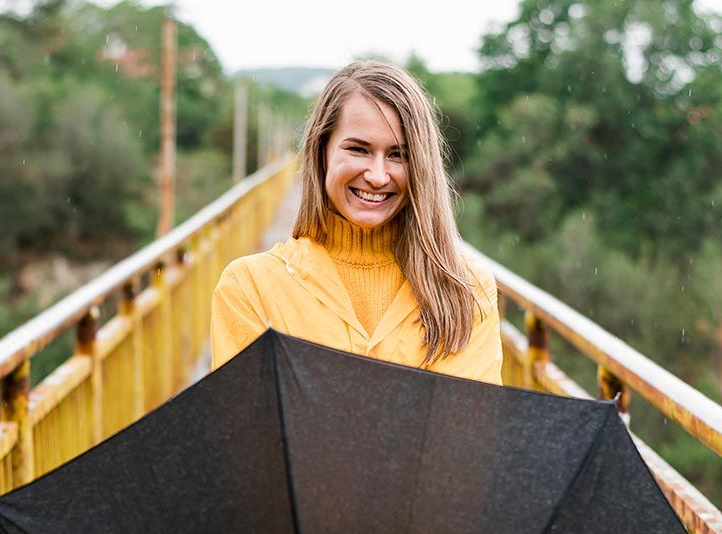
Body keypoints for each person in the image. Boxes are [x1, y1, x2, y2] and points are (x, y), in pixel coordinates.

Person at [210, 61, 503, 383]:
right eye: (358, 150)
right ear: (321, 151)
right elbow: (245, 414)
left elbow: (469, 415)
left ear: (421, 165)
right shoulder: (250, 287)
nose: (377, 176)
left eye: (398, 155)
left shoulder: (467, 289)